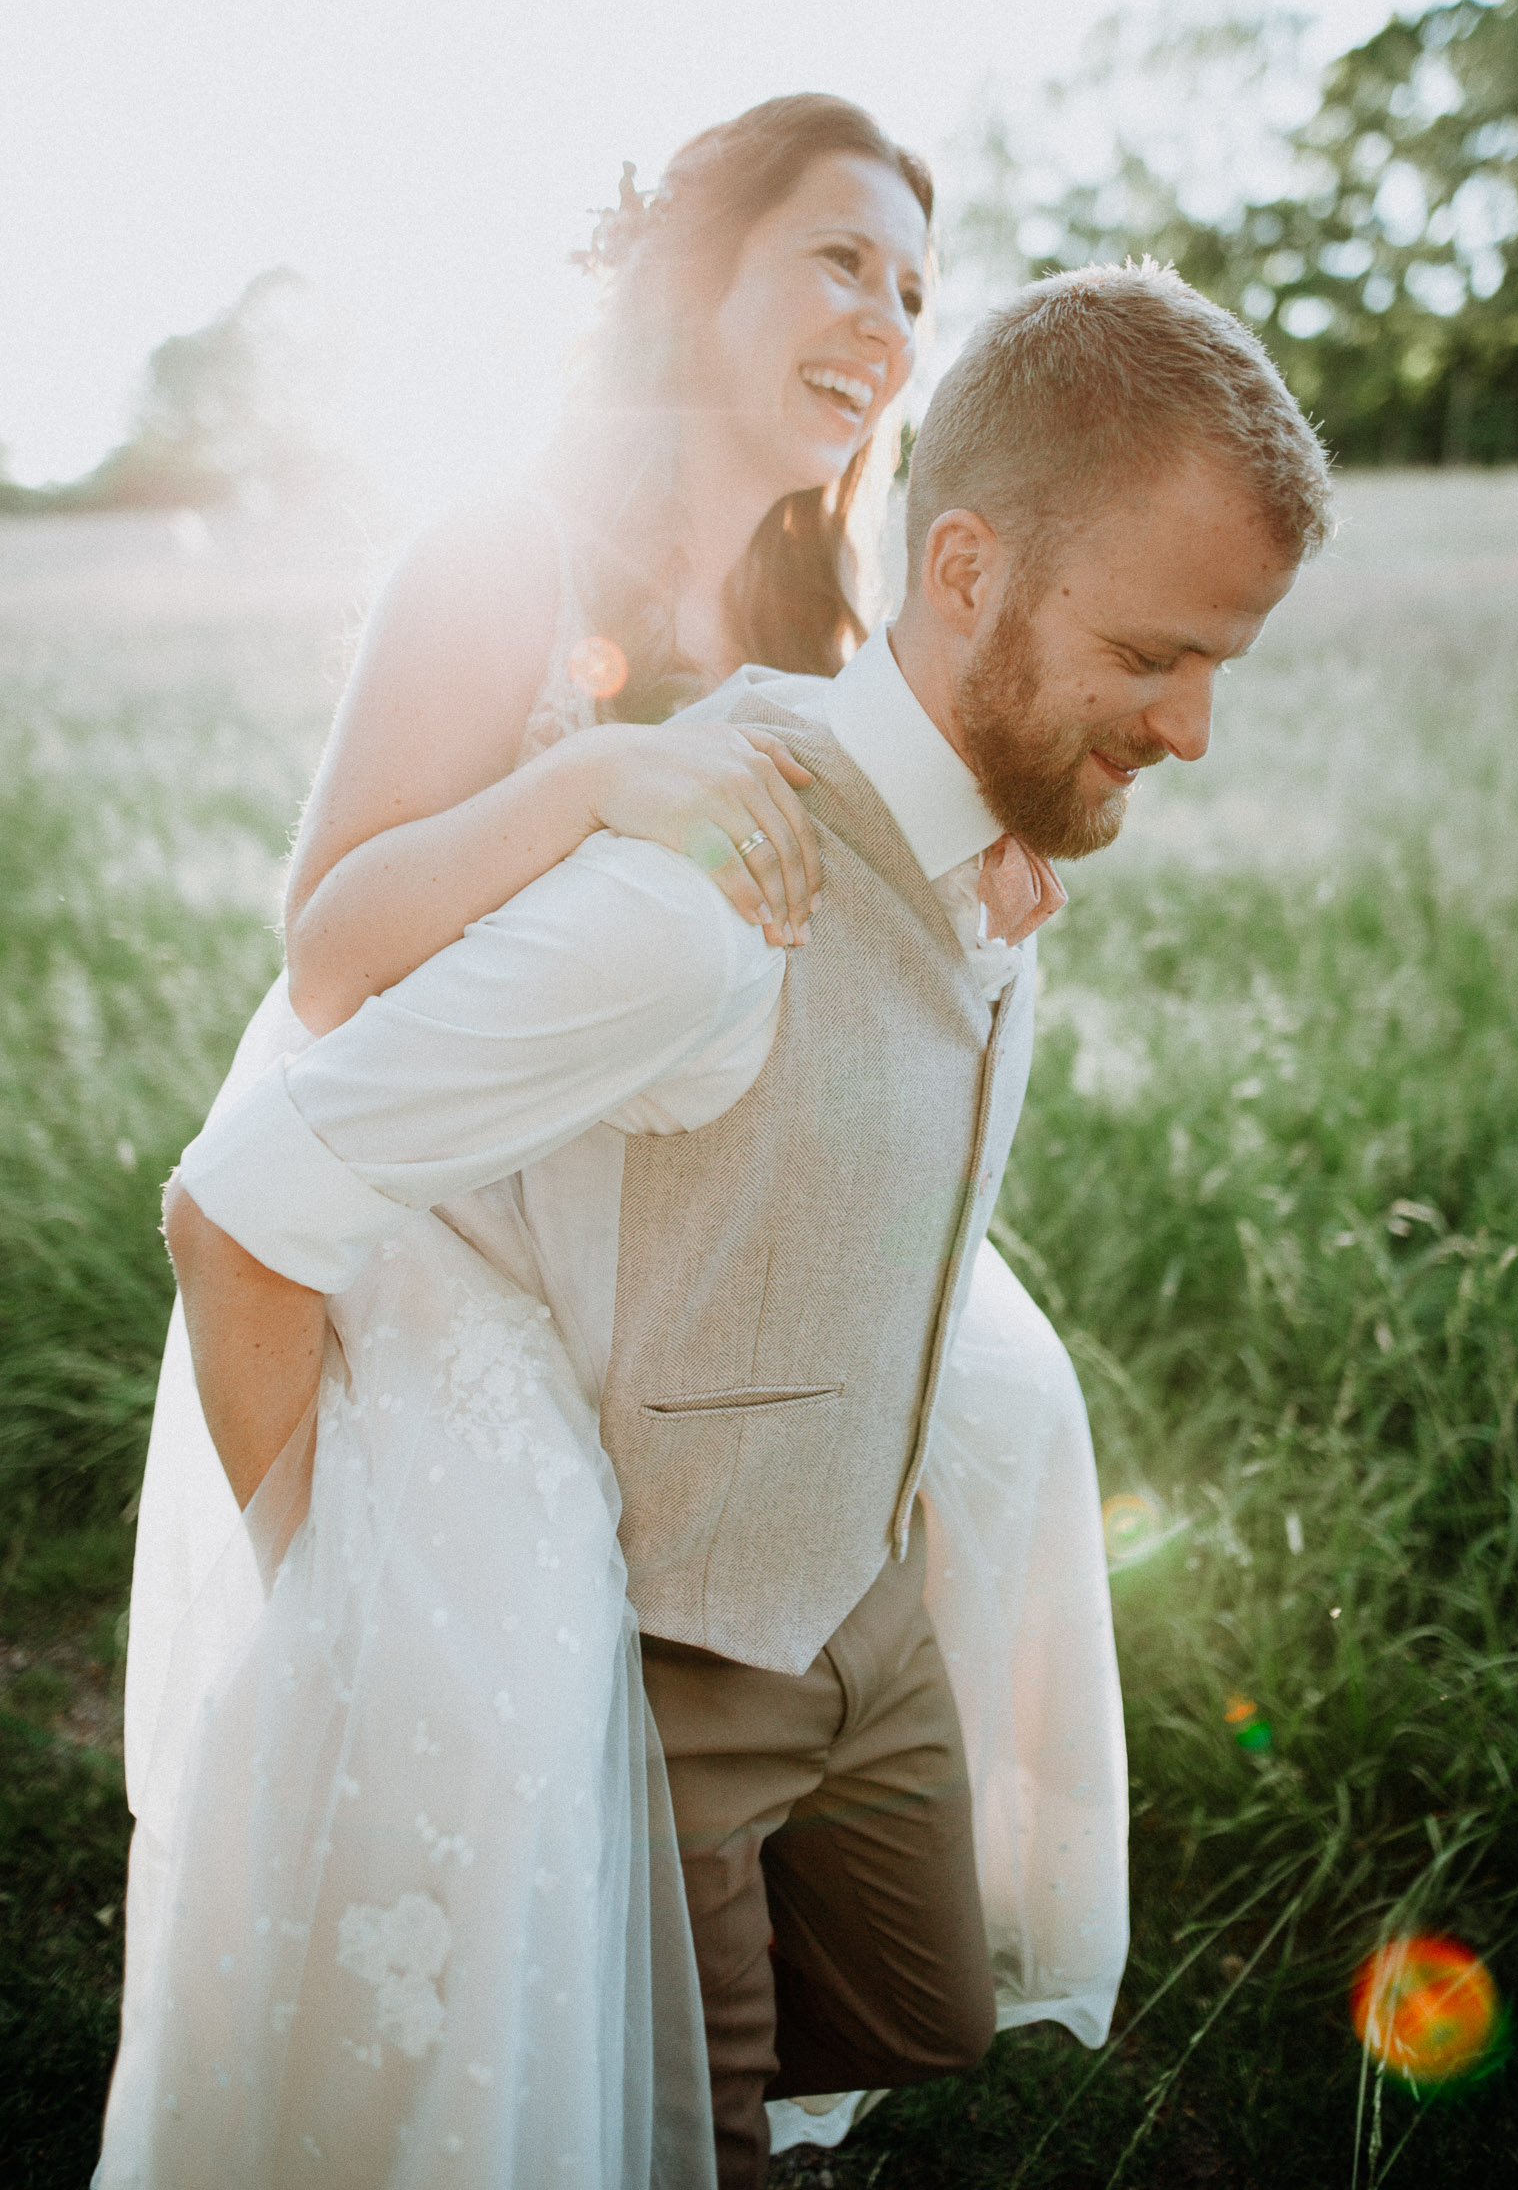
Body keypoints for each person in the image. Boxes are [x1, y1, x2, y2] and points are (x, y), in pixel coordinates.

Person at [113, 260, 1333, 2189]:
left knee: (936, 2017)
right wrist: (332, 1636)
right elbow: (241, 1206)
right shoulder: (692, 910)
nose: (1191, 729)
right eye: (1153, 656)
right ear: (962, 571)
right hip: (676, 1685)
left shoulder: (986, 858)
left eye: (1221, 664)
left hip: (867, 1610)